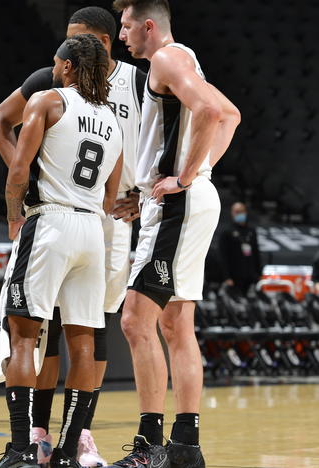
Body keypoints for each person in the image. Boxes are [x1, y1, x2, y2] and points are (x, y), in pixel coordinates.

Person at [0, 7, 144, 466]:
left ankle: (20, 450)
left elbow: (18, 173)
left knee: (23, 336)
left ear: (69, 67)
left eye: (58, 64)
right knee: (84, 343)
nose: (52, 70)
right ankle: (72, 448)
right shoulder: (112, 122)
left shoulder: (49, 101)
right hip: (94, 230)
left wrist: (15, 216)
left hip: (50, 221)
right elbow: (112, 193)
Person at [108, 1, 241, 467]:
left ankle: (149, 448)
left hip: (179, 205)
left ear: (148, 25)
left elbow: (210, 110)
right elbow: (231, 114)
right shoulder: (181, 59)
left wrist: (183, 179)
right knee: (174, 325)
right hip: (180, 201)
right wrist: (186, 176)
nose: (121, 36)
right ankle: (185, 447)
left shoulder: (166, 57)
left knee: (134, 320)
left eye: (125, 26)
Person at [218, 202, 262, 294]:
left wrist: (259, 273)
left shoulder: (251, 231)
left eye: (241, 211)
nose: (239, 214)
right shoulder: (227, 232)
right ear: (232, 213)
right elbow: (223, 256)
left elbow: (256, 252)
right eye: (237, 212)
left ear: (245, 212)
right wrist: (226, 277)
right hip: (234, 276)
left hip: (250, 275)